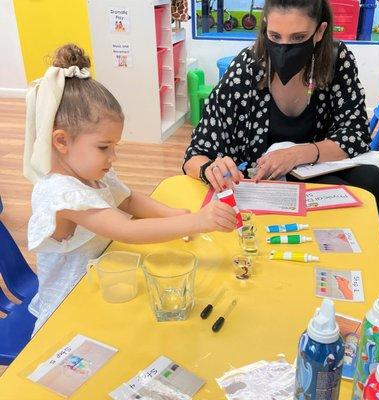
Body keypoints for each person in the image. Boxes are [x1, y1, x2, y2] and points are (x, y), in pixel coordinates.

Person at [23, 44, 236, 334]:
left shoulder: (90, 171)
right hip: (68, 312)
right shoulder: (61, 194)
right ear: (61, 141)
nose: (112, 157)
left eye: (114, 146)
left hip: (103, 286)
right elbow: (128, 230)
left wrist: (174, 214)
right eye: (103, 147)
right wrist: (198, 220)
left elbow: (129, 200)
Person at [182, 0, 379, 239]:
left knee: (375, 185)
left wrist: (295, 154)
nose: (284, 48)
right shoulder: (247, 67)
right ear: (264, 27)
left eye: (298, 37)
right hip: (264, 187)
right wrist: (210, 168)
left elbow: (355, 135)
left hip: (319, 176)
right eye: (275, 36)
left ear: (320, 32)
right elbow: (196, 154)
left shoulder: (336, 61)